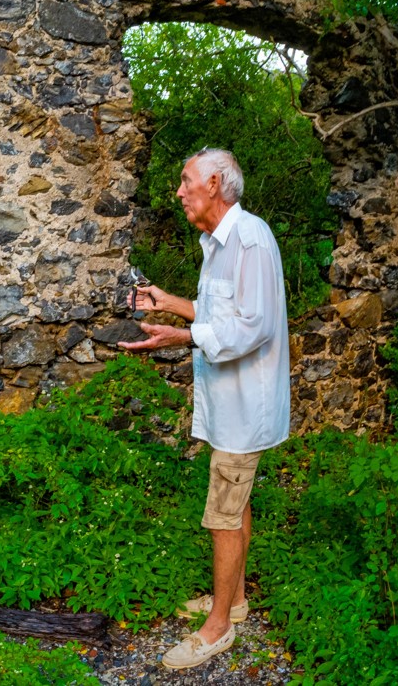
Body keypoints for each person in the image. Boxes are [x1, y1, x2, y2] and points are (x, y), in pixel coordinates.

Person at [119, 148, 290, 671]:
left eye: (186, 180)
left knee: (222, 513)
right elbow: (218, 313)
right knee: (235, 506)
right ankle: (233, 602)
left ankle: (217, 629)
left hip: (245, 404)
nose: (179, 190)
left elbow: (254, 326)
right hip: (226, 403)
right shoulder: (214, 244)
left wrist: (183, 335)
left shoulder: (250, 239)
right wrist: (170, 304)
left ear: (214, 183)